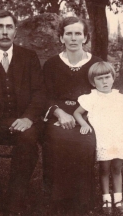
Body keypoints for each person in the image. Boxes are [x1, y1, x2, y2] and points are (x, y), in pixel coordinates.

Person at [0, 10, 45, 215]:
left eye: (9, 27)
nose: (4, 32)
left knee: (29, 139)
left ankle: (16, 196)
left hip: (22, 119)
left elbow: (40, 92)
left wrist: (28, 118)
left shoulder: (29, 57)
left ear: (15, 30)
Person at [42, 16, 101, 214]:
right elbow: (43, 96)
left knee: (85, 143)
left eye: (78, 34)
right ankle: (58, 201)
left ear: (85, 38)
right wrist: (59, 113)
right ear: (61, 38)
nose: (73, 38)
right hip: (58, 118)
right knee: (59, 141)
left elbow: (103, 93)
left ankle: (82, 202)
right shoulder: (51, 64)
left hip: (86, 118)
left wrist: (82, 117)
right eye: (69, 34)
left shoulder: (96, 63)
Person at [74, 61, 123, 215]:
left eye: (107, 77)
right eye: (99, 79)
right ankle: (106, 198)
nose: (104, 81)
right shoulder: (91, 98)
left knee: (117, 168)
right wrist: (83, 124)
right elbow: (77, 113)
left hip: (118, 138)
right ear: (93, 82)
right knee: (104, 168)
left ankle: (118, 199)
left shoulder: (119, 97)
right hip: (103, 138)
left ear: (113, 78)